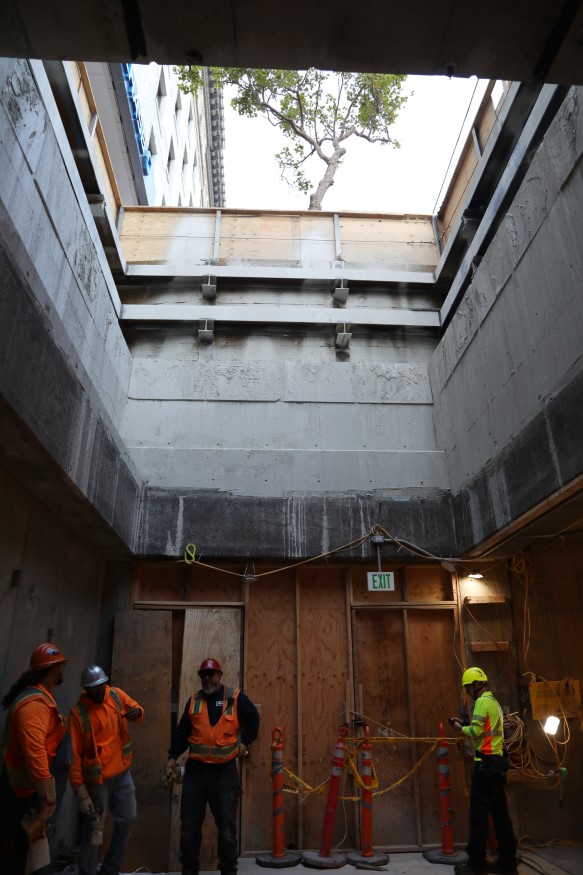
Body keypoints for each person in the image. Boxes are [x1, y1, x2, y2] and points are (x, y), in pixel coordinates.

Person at [166, 657, 260, 875]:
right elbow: (182, 733)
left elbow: (253, 718)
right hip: (195, 774)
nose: (207, 678)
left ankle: (228, 871)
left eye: (211, 674)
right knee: (189, 827)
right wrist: (172, 757)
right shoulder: (194, 701)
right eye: (203, 675)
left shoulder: (234, 698)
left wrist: (246, 742)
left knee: (227, 829)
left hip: (224, 774)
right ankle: (189, 872)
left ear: (219, 675)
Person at [68, 665, 144, 875]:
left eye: (102, 686)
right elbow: (73, 758)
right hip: (96, 781)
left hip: (122, 775)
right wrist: (81, 793)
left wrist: (137, 712)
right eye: (95, 688)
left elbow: (137, 710)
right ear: (87, 689)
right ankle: (88, 871)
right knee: (94, 830)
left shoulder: (116, 696)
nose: (101, 691)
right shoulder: (78, 714)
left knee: (128, 818)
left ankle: (110, 869)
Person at [0, 642, 68, 875]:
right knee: (18, 858)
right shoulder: (34, 705)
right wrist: (47, 797)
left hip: (27, 792)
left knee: (28, 856)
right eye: (60, 666)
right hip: (22, 795)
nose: (62, 670)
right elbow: (35, 751)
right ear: (55, 669)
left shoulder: (40, 698)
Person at [450, 667, 518, 875]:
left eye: (468, 687)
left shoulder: (481, 702)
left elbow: (477, 731)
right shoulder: (495, 703)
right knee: (501, 816)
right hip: (497, 764)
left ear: (476, 685)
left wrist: (459, 727)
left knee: (478, 816)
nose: (468, 692)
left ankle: (476, 865)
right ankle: (508, 862)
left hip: (485, 765)